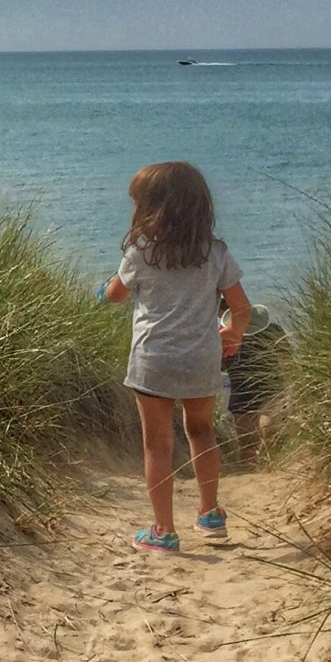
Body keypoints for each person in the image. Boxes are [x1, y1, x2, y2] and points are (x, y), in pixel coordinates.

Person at [101, 161, 250, 551]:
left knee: (158, 445)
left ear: (149, 208)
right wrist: (233, 333)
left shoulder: (140, 253)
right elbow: (242, 307)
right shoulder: (215, 253)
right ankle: (210, 514)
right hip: (202, 358)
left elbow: (116, 295)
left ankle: (163, 531)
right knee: (202, 432)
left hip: (154, 359)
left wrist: (102, 291)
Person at [224, 303, 287, 466]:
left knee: (251, 443)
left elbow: (218, 366)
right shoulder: (273, 331)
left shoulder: (226, 336)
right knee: (262, 439)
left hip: (249, 391)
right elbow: (287, 358)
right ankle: (265, 472)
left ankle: (261, 472)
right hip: (263, 389)